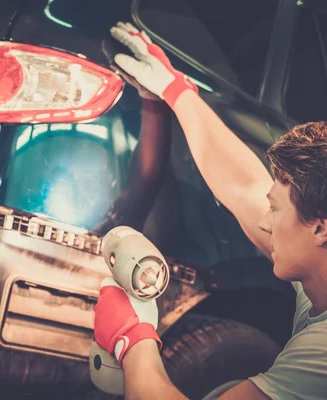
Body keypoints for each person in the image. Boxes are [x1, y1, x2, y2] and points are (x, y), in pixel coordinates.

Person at [93, 21, 327, 400]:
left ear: (320, 229)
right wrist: (175, 90)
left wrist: (133, 339)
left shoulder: (323, 354)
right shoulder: (318, 265)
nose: (264, 224)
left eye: (276, 211)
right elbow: (245, 188)